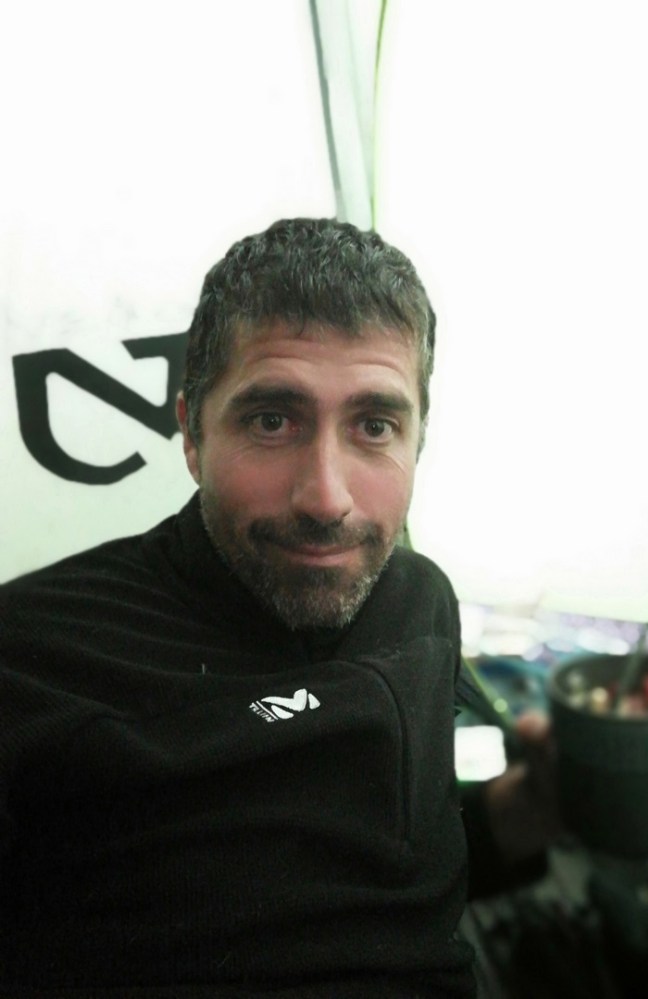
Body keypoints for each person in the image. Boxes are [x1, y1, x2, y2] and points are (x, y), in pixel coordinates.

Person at [0, 218, 558, 997]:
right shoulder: (29, 657)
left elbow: (407, 876)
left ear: (418, 440)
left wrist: (532, 809)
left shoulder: (420, 601)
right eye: (272, 421)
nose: (326, 498)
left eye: (374, 426)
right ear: (191, 432)